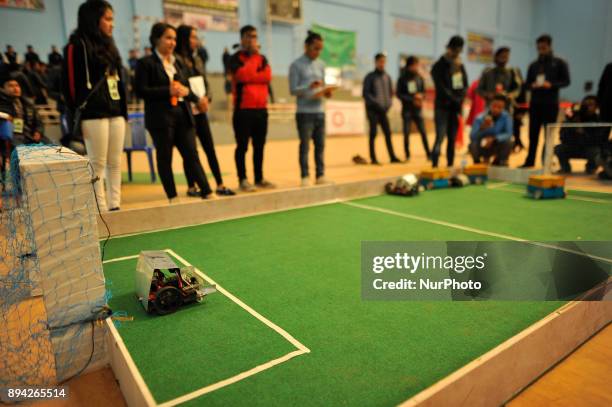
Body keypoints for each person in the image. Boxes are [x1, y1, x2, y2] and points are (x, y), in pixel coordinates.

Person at [62, 0, 128, 212]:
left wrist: (123, 111)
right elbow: (70, 86)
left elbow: (119, 81)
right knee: (97, 164)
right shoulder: (76, 46)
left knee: (115, 163)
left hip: (116, 112)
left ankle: (115, 207)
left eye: (112, 19)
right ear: (93, 19)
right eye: (107, 19)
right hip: (92, 114)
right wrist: (76, 114)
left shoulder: (111, 46)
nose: (112, 24)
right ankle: (100, 210)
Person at [135, 22, 212, 202]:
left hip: (183, 115)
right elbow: (141, 91)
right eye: (168, 38)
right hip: (160, 119)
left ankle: (207, 192)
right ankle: (173, 197)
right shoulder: (145, 63)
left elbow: (184, 87)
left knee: (192, 155)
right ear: (156, 39)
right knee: (165, 158)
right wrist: (166, 91)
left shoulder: (177, 62)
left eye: (174, 39)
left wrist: (197, 99)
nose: (172, 43)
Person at [175, 24, 235, 197]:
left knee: (210, 148)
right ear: (184, 39)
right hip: (187, 110)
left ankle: (220, 184)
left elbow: (205, 82)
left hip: (201, 109)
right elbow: (182, 84)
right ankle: (191, 186)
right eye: (193, 37)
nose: (196, 40)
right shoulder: (176, 60)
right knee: (190, 151)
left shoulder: (198, 59)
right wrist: (195, 100)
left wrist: (207, 98)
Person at [228, 25, 274, 191]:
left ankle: (259, 178)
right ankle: (242, 179)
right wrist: (254, 59)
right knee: (242, 147)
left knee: (259, 147)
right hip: (243, 111)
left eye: (255, 36)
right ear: (242, 39)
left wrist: (254, 74)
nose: (252, 39)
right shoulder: (234, 59)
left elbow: (267, 76)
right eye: (249, 36)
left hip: (261, 111)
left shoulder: (263, 59)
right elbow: (242, 75)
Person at [289, 30, 331, 186]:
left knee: (320, 145)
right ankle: (305, 176)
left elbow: (323, 86)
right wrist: (308, 86)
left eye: (320, 49)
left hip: (319, 111)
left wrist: (327, 92)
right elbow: (293, 89)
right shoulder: (296, 65)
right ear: (306, 46)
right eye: (315, 48)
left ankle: (320, 175)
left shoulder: (321, 65)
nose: (318, 52)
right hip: (304, 113)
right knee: (305, 145)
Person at [521, 34, 570, 168]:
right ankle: (529, 161)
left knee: (548, 135)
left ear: (549, 46)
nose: (541, 49)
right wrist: (532, 86)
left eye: (543, 46)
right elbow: (527, 84)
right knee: (533, 135)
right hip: (535, 104)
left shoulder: (559, 62)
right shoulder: (533, 65)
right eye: (539, 47)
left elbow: (566, 81)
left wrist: (552, 85)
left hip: (551, 104)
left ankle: (545, 162)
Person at [0, 74, 50, 185]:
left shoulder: (27, 103)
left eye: (17, 85)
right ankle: (21, 183)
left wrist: (38, 131)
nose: (15, 88)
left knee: (50, 145)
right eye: (11, 85)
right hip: (10, 136)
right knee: (19, 147)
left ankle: (44, 181)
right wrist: (5, 116)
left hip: (29, 135)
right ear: (2, 89)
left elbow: (39, 122)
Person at [431, 35, 468, 168]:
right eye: (455, 50)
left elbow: (464, 85)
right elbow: (440, 88)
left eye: (459, 50)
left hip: (455, 108)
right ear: (449, 48)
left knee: (452, 138)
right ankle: (434, 165)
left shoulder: (459, 65)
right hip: (442, 107)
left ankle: (450, 165)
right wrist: (454, 99)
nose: (457, 53)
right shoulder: (439, 66)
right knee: (440, 136)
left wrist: (459, 99)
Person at [554, 96, 608, 174]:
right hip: (573, 147)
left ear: (596, 107)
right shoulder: (573, 119)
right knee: (559, 149)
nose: (587, 107)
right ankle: (565, 168)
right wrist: (572, 126)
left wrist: (583, 133)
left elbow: (598, 140)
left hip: (589, 149)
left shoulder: (599, 121)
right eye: (585, 104)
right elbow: (563, 138)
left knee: (597, 151)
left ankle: (591, 168)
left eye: (590, 104)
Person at [363, 53, 399, 164]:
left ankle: (392, 157)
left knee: (388, 133)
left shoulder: (387, 77)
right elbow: (366, 94)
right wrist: (376, 104)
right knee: (373, 134)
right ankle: (373, 158)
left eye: (384, 61)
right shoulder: (370, 77)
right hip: (373, 110)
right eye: (380, 61)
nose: (382, 64)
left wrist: (388, 104)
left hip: (384, 111)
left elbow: (390, 94)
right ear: (376, 62)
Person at [396, 55, 430, 161]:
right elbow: (399, 94)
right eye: (414, 65)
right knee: (406, 132)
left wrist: (421, 97)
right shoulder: (402, 78)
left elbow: (424, 92)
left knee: (423, 132)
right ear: (409, 66)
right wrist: (412, 99)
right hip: (407, 110)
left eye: (417, 65)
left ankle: (429, 154)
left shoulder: (419, 78)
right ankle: (407, 155)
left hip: (417, 110)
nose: (416, 67)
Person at [469, 94, 513, 166]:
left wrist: (495, 139)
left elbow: (509, 134)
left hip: (496, 144)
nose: (496, 109)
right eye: (494, 106)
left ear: (503, 107)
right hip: (482, 145)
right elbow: (472, 136)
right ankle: (477, 163)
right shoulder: (480, 118)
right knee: (472, 145)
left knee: (509, 142)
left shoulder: (507, 117)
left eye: (499, 107)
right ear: (490, 105)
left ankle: (499, 161)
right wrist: (481, 128)